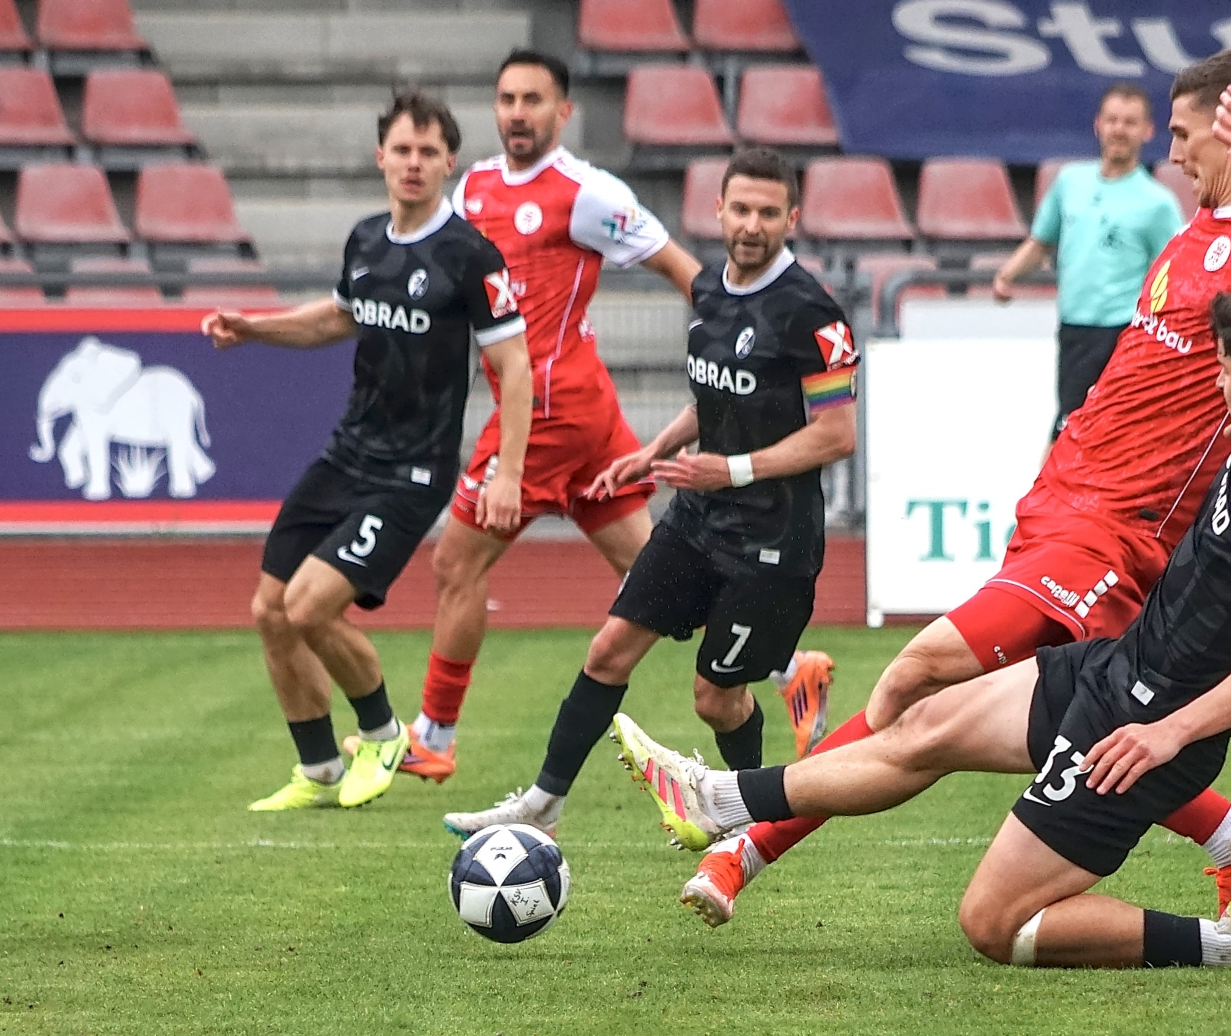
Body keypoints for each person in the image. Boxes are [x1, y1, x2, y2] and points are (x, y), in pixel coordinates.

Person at [615, 89, 1231, 968]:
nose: (1217, 387)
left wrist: (1165, 733)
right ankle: (721, 805)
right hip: (1111, 661)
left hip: (1142, 707)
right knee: (927, 723)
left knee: (989, 917)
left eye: (1227, 374)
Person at [380, 50, 842, 784]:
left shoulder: (587, 192)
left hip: (551, 410)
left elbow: (673, 261)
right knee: (646, 572)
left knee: (456, 562)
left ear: (563, 111)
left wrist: (742, 337)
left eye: (534, 99)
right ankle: (791, 669)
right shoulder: (473, 189)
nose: (518, 112)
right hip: (573, 411)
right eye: (507, 98)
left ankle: (435, 733)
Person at [443, 147, 857, 837]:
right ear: (718, 210)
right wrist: (652, 452)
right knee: (607, 649)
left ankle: (743, 822)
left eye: (767, 212)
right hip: (698, 518)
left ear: (792, 217)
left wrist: (732, 469)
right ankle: (542, 807)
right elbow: (715, 403)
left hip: (773, 542)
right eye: (740, 209)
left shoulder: (813, 314)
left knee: (715, 698)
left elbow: (837, 435)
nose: (751, 225)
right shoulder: (709, 294)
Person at [203, 90, 533, 813]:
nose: (413, 164)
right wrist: (254, 328)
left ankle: (384, 735)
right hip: (346, 454)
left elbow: (514, 365)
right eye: (401, 150)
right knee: (268, 610)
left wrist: (508, 472)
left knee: (311, 605)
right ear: (380, 156)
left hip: (411, 473)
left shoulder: (471, 255)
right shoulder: (366, 240)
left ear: (449, 162)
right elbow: (338, 319)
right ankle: (319, 768)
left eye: (427, 152)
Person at [992, 81, 1186, 437]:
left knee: (1120, 433)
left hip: (1126, 332)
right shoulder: (1070, 182)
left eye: (1129, 122)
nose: (1119, 130)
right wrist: (1007, 275)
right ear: (1098, 124)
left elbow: (1175, 271)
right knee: (1070, 430)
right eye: (1112, 120)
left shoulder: (1157, 203)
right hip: (1076, 330)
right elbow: (1041, 242)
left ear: (1147, 131)